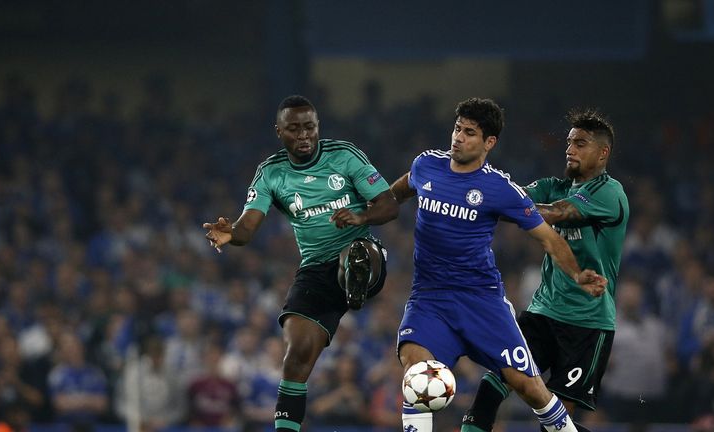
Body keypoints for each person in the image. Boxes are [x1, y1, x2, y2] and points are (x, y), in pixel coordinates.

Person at [389, 98, 608, 432]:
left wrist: (578, 274)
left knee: (529, 387)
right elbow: (395, 195)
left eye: (470, 133)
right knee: (416, 375)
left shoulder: (500, 188)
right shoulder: (426, 165)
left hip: (482, 301)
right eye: (457, 129)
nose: (458, 138)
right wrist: (364, 215)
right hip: (430, 298)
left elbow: (549, 238)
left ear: (489, 142)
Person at [202, 95, 398, 432]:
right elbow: (248, 227)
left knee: (357, 255)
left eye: (310, 127)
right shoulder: (271, 173)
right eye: (294, 129)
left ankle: (354, 277)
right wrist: (230, 234)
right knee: (295, 358)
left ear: (318, 127)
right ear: (279, 131)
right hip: (315, 271)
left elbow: (389, 204)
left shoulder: (344, 156)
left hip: (365, 251)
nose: (304, 135)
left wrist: (360, 215)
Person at [463, 108, 629, 432]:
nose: (570, 149)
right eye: (569, 142)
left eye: (580, 143)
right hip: (542, 313)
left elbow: (555, 213)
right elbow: (512, 197)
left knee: (553, 425)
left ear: (603, 152)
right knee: (493, 383)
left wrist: (504, 206)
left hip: (587, 323)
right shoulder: (553, 185)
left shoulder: (610, 193)